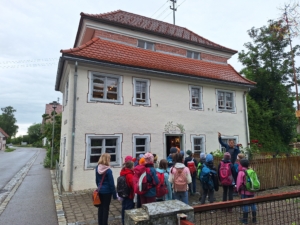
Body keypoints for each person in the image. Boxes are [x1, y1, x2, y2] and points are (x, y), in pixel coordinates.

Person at [95, 153, 117, 225]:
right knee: (105, 208)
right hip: (107, 192)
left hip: (100, 190)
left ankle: (100, 223)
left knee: (100, 208)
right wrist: (114, 194)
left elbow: (97, 180)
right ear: (107, 160)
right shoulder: (108, 171)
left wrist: (99, 187)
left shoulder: (97, 168)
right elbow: (111, 183)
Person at [236, 159, 257, 224]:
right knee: (253, 204)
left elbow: (239, 183)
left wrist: (237, 190)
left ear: (241, 165)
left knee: (245, 205)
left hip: (244, 191)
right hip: (252, 190)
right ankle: (254, 220)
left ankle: (245, 220)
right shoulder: (251, 171)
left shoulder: (241, 172)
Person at [119, 156, 135, 225]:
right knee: (129, 210)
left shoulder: (123, 171)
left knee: (124, 208)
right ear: (131, 166)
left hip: (124, 194)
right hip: (130, 195)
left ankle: (123, 221)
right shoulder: (129, 175)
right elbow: (133, 185)